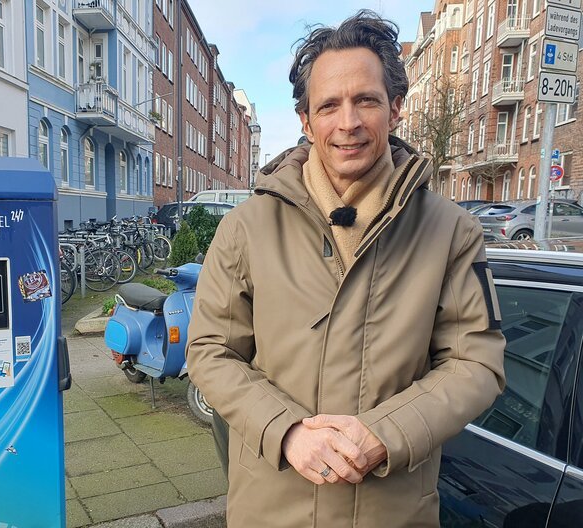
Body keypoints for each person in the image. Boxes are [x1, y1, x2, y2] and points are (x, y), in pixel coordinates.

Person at [186, 11, 505, 528]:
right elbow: (209, 350)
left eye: (367, 101)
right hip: (272, 511)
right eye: (329, 105)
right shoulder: (247, 227)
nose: (348, 122)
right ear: (307, 122)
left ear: (396, 108)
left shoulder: (451, 232)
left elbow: (478, 363)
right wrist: (286, 431)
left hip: (392, 513)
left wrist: (386, 433)